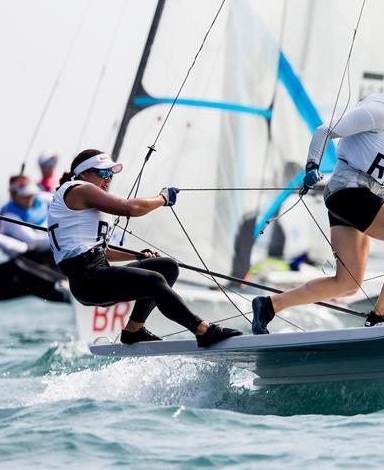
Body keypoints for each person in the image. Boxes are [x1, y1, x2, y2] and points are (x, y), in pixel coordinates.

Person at [251, 50, 384, 334]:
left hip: (363, 195)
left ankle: (269, 305)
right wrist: (312, 165)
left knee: (347, 283)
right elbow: (325, 131)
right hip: (348, 191)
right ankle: (381, 314)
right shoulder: (380, 111)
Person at [48, 149, 242, 347]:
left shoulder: (78, 198)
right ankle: (203, 330)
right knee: (154, 281)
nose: (108, 179)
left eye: (111, 174)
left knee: (166, 267)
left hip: (96, 273)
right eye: (103, 173)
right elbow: (130, 208)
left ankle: (134, 330)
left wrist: (137, 255)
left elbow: (100, 252)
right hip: (88, 280)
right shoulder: (81, 189)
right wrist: (162, 198)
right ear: (83, 174)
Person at [0, 175, 53, 260]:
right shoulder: (9, 216)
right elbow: (34, 241)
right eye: (23, 196)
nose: (29, 199)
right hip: (28, 258)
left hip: (52, 247)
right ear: (13, 195)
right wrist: (64, 237)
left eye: (30, 195)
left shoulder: (42, 199)